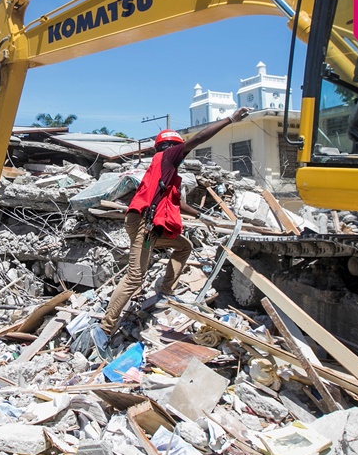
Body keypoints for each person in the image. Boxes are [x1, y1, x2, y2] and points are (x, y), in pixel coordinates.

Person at [101, 107, 252, 334]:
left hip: (150, 229)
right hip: (144, 224)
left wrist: (201, 215)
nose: (184, 153)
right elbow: (199, 139)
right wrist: (230, 119)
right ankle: (105, 327)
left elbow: (177, 202)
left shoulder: (167, 174)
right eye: (181, 149)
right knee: (135, 277)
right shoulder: (167, 157)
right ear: (171, 147)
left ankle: (166, 289)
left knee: (184, 246)